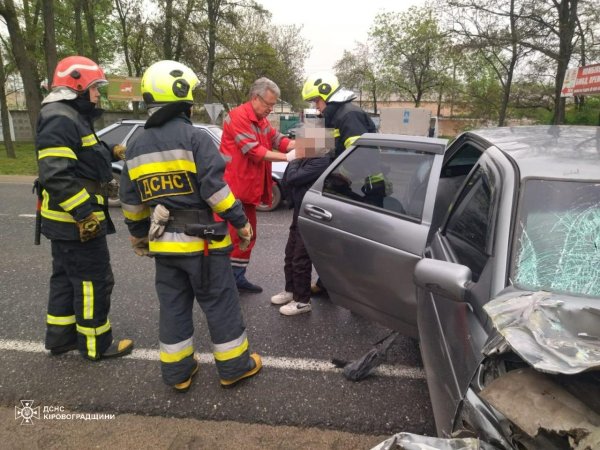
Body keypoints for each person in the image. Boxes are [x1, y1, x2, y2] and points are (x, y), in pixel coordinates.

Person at [119, 60, 261, 392]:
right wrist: (240, 224)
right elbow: (216, 192)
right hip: (204, 245)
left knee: (173, 306)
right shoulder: (194, 138)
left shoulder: (136, 145)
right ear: (181, 96)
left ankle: (177, 373)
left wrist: (139, 236)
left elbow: (131, 200)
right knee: (220, 303)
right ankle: (234, 367)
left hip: (164, 247)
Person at [36, 55, 133, 360]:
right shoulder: (61, 117)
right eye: (94, 88)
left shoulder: (70, 115)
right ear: (76, 85)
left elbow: (84, 148)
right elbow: (56, 173)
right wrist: (84, 214)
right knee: (94, 280)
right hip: (75, 221)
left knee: (65, 278)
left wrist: (112, 150)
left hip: (64, 222)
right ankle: (96, 344)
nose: (97, 94)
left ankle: (61, 337)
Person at [301, 71, 378, 295]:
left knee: (356, 247)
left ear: (327, 95)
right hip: (350, 187)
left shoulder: (348, 115)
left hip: (364, 188)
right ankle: (331, 285)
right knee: (337, 241)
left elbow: (358, 158)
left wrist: (332, 177)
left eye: (316, 101)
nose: (316, 107)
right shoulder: (338, 115)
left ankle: (360, 295)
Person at [220, 77, 297, 294]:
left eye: (273, 105)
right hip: (233, 189)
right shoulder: (238, 117)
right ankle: (225, 282)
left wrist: (307, 144)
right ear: (256, 98)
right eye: (269, 104)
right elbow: (253, 151)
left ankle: (237, 277)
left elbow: (277, 139)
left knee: (248, 235)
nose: (271, 110)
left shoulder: (260, 120)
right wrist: (288, 157)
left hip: (247, 189)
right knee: (234, 235)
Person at [270, 156, 331, 315]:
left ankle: (302, 301)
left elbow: (292, 178)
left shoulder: (321, 161)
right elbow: (286, 181)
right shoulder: (305, 159)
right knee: (290, 254)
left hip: (312, 213)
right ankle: (290, 291)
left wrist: (294, 160)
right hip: (300, 211)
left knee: (300, 258)